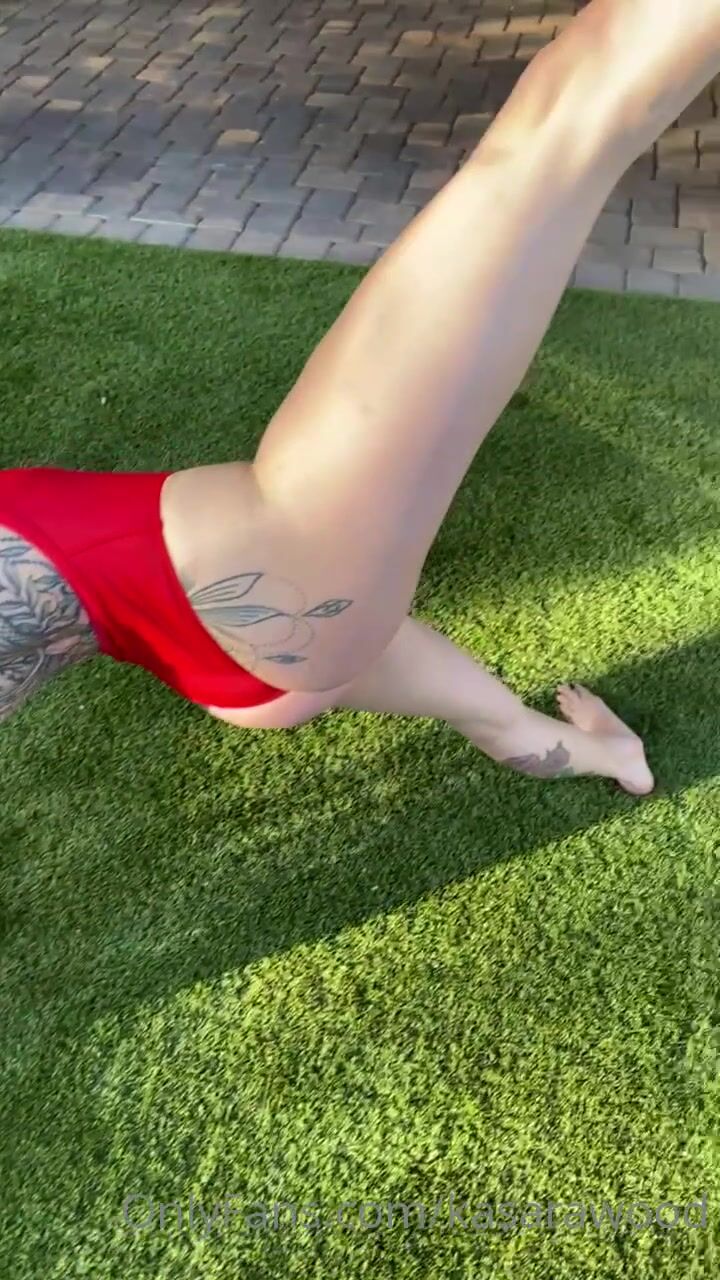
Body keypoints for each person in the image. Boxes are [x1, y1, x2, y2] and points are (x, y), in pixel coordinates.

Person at [2, 0, 719, 796]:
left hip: (235, 668)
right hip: (272, 574)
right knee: (557, 137)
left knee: (495, 719)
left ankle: (618, 758)